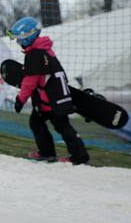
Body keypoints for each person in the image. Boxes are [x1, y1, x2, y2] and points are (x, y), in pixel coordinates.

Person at [7, 16, 90, 165]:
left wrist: (20, 100)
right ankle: (49, 153)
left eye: (20, 39)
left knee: (60, 126)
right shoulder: (45, 49)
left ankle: (79, 156)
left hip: (52, 100)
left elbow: (29, 82)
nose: (19, 43)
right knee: (40, 122)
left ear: (28, 37)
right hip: (56, 98)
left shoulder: (34, 55)